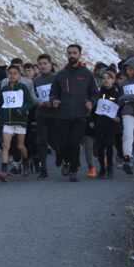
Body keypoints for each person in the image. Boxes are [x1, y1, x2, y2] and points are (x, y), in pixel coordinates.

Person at [49, 45, 98, 182]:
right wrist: (54, 100)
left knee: (74, 143)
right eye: (69, 53)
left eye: (74, 53)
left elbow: (95, 94)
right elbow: (53, 93)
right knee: (63, 143)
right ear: (67, 54)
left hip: (80, 114)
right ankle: (65, 161)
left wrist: (91, 103)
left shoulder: (87, 74)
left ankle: (74, 170)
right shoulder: (60, 74)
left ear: (79, 55)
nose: (72, 55)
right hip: (63, 114)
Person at [0, 65, 34, 182]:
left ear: (19, 75)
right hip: (7, 122)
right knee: (6, 146)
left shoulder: (22, 87)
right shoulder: (4, 89)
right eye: (10, 73)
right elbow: (1, 103)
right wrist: (2, 113)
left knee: (20, 146)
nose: (12, 75)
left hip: (20, 121)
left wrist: (22, 109)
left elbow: (30, 102)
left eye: (15, 73)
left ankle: (26, 161)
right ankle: (3, 170)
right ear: (7, 75)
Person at [33, 54, 57, 180]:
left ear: (50, 65)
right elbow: (34, 96)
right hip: (41, 115)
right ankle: (43, 170)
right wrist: (38, 102)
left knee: (55, 142)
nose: (42, 66)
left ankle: (64, 159)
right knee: (41, 143)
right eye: (40, 64)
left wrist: (55, 102)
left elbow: (61, 94)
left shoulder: (56, 78)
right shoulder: (36, 80)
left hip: (55, 115)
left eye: (44, 63)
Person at [92, 71, 120, 178]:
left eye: (109, 78)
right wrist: (92, 120)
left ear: (113, 80)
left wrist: (118, 117)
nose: (106, 80)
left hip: (111, 124)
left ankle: (110, 167)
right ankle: (102, 168)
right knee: (100, 147)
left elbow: (120, 108)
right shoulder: (98, 93)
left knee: (109, 146)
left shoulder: (116, 93)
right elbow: (94, 108)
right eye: (104, 78)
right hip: (99, 123)